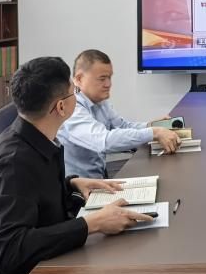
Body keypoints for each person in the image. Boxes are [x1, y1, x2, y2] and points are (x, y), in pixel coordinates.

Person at [0, 57, 155, 274]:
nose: (78, 97)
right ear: (61, 107)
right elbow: (8, 250)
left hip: (55, 252)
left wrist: (71, 183)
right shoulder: (12, 164)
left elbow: (33, 194)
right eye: (74, 92)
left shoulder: (36, 137)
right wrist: (92, 224)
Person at [58, 49, 180, 179]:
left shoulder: (99, 101)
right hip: (79, 187)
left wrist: (151, 125)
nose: (108, 84)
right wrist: (154, 132)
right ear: (79, 79)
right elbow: (104, 141)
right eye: (102, 79)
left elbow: (122, 126)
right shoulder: (72, 108)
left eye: (109, 77)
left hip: (99, 178)